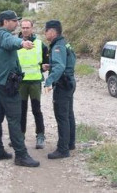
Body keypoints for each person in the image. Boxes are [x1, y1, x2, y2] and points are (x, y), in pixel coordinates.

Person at [0, 10, 40, 167]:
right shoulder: (4, 35)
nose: (17, 23)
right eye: (14, 21)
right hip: (7, 85)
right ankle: (21, 155)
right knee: (14, 119)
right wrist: (22, 43)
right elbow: (10, 41)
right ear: (5, 22)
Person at [43, 20, 77, 159]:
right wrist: (50, 66)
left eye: (46, 31)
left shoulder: (58, 46)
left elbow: (60, 66)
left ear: (52, 31)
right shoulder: (64, 43)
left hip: (63, 84)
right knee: (68, 114)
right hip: (69, 81)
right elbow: (66, 62)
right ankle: (70, 143)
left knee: (62, 116)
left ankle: (62, 149)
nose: (45, 34)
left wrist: (49, 81)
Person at [17, 19, 48, 149]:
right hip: (20, 83)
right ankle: (20, 136)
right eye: (23, 27)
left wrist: (44, 67)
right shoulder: (15, 44)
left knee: (36, 110)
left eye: (27, 27)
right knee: (21, 111)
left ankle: (40, 135)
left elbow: (46, 63)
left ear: (32, 28)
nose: (25, 30)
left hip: (35, 82)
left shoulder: (41, 44)